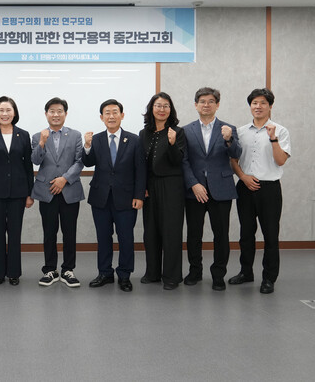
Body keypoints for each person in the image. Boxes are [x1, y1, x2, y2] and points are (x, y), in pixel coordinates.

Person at [229, 88, 291, 294]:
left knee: (270, 235)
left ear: (270, 106)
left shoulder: (280, 130)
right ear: (250, 106)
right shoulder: (240, 132)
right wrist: (243, 177)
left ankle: (269, 278)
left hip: (269, 188)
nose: (258, 106)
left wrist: (273, 139)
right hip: (245, 187)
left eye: (263, 103)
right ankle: (246, 272)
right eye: (254, 103)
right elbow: (233, 160)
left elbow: (281, 161)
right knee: (246, 234)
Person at [82, 99, 146, 292]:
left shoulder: (134, 140)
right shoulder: (97, 139)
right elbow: (88, 162)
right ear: (102, 117)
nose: (111, 116)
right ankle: (105, 273)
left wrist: (139, 196)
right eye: (107, 113)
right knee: (103, 237)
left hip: (126, 198)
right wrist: (87, 146)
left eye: (115, 112)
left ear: (122, 115)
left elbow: (141, 170)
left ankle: (125, 275)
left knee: (126, 238)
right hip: (100, 197)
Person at [181, 87, 241, 291]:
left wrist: (229, 139)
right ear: (196, 105)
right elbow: (183, 161)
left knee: (221, 235)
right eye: (202, 101)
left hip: (221, 189)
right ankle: (195, 271)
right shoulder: (186, 130)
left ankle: (218, 275)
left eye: (211, 101)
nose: (206, 105)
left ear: (217, 105)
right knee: (194, 234)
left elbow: (236, 154)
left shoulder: (229, 129)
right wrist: (193, 184)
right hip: (194, 191)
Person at [0, 96, 34, 286]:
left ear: (14, 112)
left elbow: (28, 165)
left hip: (18, 191)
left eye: (8, 110)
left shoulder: (23, 135)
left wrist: (30, 193)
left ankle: (14, 273)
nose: (5, 114)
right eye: (1, 110)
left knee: (15, 233)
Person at [31, 97, 85, 287]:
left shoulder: (75, 135)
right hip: (46, 191)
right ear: (46, 114)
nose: (56, 114)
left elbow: (80, 161)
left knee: (70, 232)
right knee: (49, 232)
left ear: (65, 114)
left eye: (59, 111)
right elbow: (35, 160)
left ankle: (68, 270)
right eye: (52, 111)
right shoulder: (37, 136)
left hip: (69, 190)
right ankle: (50, 270)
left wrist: (64, 179)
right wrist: (42, 143)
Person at [139, 92, 187, 290]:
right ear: (151, 109)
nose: (162, 109)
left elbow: (178, 161)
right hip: (150, 187)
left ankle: (172, 276)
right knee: (150, 232)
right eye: (158, 105)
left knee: (171, 231)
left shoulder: (177, 132)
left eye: (166, 106)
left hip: (172, 186)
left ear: (170, 110)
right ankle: (152, 273)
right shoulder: (144, 133)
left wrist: (173, 143)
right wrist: (142, 187)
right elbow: (141, 164)